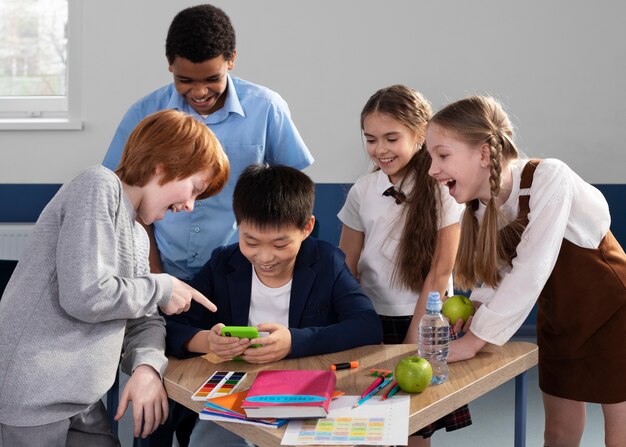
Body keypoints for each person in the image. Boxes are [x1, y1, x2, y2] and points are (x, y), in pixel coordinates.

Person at [0, 110, 229, 447]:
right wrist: (164, 286)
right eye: (193, 189)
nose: (190, 206)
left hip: (82, 399)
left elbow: (144, 317)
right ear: (163, 165)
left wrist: (147, 367)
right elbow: (87, 296)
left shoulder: (137, 235)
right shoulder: (98, 185)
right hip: (32, 401)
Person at [425, 95, 626, 446]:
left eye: (442, 155)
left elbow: (533, 265)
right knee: (559, 433)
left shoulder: (549, 176)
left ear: (485, 154)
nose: (432, 169)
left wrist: (475, 341)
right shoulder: (480, 208)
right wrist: (476, 308)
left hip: (615, 314)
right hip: (561, 320)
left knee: (620, 436)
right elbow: (498, 272)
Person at [165, 164, 383, 447]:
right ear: (238, 225)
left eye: (280, 244)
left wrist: (294, 341)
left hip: (304, 392)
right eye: (251, 241)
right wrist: (207, 341)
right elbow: (169, 325)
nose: (265, 257)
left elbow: (367, 326)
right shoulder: (223, 263)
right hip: (237, 397)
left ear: (307, 228)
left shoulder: (326, 262)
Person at [102, 3, 313, 282]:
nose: (200, 91)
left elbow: (291, 198)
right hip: (164, 269)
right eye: (185, 80)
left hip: (243, 274)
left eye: (213, 79)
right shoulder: (145, 114)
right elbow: (127, 198)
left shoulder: (267, 109)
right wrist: (154, 275)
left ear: (231, 60)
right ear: (169, 63)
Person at [337, 85, 470, 445]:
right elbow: (346, 265)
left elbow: (440, 272)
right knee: (366, 420)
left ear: (421, 134)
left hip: (423, 319)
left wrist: (416, 340)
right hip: (369, 319)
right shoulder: (362, 191)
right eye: (371, 139)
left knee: (413, 426)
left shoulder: (444, 190)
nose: (380, 149)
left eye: (391, 138)